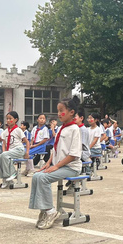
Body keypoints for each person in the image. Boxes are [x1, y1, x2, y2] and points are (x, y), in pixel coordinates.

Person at [29, 98, 82, 230]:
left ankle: (51, 211)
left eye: (61, 111)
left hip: (71, 167)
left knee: (44, 178)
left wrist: (56, 166)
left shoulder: (74, 129)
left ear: (71, 112)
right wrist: (48, 163)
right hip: (60, 165)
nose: (59, 114)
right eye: (58, 111)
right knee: (36, 176)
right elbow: (55, 149)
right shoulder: (61, 129)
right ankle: (44, 209)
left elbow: (73, 154)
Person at [0, 111, 30, 188]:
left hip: (19, 150)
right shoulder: (5, 132)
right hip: (10, 152)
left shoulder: (18, 130)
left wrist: (27, 152)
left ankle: (12, 173)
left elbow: (27, 142)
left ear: (15, 120)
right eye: (7, 119)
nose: (8, 120)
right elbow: (4, 143)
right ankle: (5, 179)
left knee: (5, 155)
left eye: (10, 118)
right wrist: (4, 152)